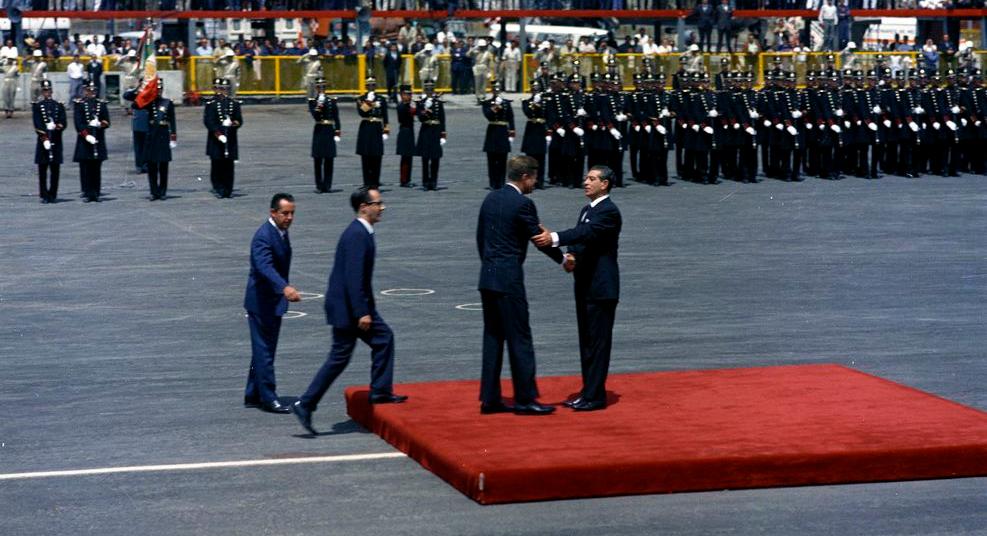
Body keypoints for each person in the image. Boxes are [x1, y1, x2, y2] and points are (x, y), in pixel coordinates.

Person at [292, 188, 408, 435]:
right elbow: (353, 277)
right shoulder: (357, 234)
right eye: (378, 203)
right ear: (364, 207)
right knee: (348, 353)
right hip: (349, 309)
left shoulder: (361, 232)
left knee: (378, 341)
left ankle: (379, 391)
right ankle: (307, 402)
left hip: (350, 306)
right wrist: (362, 312)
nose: (382, 207)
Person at [476, 155, 564, 416]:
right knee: (520, 338)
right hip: (509, 280)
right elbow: (538, 237)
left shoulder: (490, 198)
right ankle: (525, 399)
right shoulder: (523, 204)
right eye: (535, 177)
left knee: (493, 338)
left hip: (488, 276)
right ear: (525, 176)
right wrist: (563, 259)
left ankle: (490, 398)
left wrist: (490, 265)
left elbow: (481, 238)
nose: (535, 182)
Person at [532, 166, 621, 411]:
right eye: (586, 178)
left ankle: (595, 396)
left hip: (601, 288)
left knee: (598, 342)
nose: (586, 182)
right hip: (585, 284)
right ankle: (588, 391)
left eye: (592, 179)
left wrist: (556, 238)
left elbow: (588, 233)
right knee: (587, 341)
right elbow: (584, 242)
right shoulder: (587, 210)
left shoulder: (609, 211)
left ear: (605, 184)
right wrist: (571, 257)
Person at [244, 193, 302, 414]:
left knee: (262, 349)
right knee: (265, 350)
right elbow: (264, 267)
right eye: (285, 213)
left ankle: (253, 393)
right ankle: (269, 397)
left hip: (270, 302)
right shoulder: (264, 236)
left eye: (292, 213)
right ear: (273, 213)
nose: (289, 218)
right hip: (262, 303)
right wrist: (284, 287)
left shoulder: (280, 233)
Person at [203, 78, 242, 198]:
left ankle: (228, 189)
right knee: (217, 164)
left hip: (230, 139)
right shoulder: (211, 104)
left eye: (226, 89)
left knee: (229, 165)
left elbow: (239, 120)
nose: (223, 91)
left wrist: (232, 123)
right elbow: (208, 121)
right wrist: (218, 133)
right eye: (221, 88)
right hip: (217, 139)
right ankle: (219, 187)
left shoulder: (233, 104)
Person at [140, 79, 177, 200]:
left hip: (163, 135)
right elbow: (134, 103)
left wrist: (173, 137)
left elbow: (172, 120)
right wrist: (142, 90)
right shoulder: (148, 102)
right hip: (152, 135)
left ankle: (162, 191)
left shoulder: (167, 102)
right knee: (152, 166)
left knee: (163, 166)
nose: (158, 91)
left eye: (160, 89)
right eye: (156, 89)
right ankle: (154, 191)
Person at [73, 80, 110, 203]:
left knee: (97, 167)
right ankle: (88, 192)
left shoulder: (101, 104)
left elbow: (107, 121)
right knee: (87, 167)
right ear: (85, 91)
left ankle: (96, 192)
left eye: (94, 90)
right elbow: (78, 123)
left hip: (98, 138)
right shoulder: (80, 104)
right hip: (86, 140)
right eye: (89, 90)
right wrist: (86, 135)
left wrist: (99, 124)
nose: (92, 92)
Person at [33, 79, 66, 204]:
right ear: (42, 92)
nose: (47, 92)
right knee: (42, 170)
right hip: (43, 141)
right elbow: (37, 124)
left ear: (51, 91)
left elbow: (63, 122)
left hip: (56, 140)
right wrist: (45, 137)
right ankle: (44, 194)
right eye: (45, 90)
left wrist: (57, 126)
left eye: (48, 90)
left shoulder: (58, 105)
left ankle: (53, 193)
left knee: (55, 170)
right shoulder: (38, 106)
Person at [355, 76, 390, 188]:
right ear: (366, 86)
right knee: (365, 156)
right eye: (369, 85)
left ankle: (375, 182)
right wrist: (369, 102)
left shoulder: (381, 99)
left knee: (376, 156)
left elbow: (385, 116)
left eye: (373, 85)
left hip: (376, 128)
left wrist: (386, 130)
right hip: (366, 128)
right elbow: (362, 113)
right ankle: (367, 182)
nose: (371, 87)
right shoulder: (361, 99)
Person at [308, 77, 341, 193]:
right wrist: (319, 106)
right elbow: (315, 116)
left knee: (329, 158)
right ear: (317, 88)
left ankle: (327, 185)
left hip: (328, 130)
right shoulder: (313, 101)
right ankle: (319, 185)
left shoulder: (331, 101)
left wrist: (337, 131)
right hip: (319, 129)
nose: (321, 89)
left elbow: (336, 117)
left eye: (323, 87)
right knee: (318, 159)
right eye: (319, 87)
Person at [482, 80, 515, 190]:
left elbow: (511, 118)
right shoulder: (487, 103)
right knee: (491, 160)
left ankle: (501, 182)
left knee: (502, 159)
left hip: (502, 132)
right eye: (494, 88)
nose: (496, 90)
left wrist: (512, 132)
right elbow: (488, 115)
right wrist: (495, 106)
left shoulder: (506, 103)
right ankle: (493, 182)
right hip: (492, 131)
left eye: (498, 88)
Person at [415, 78, 446, 191]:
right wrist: (425, 110)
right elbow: (420, 118)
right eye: (427, 88)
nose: (429, 90)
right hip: (426, 131)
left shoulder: (438, 102)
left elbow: (442, 119)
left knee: (435, 158)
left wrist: (443, 134)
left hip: (436, 131)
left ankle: (433, 181)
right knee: (425, 159)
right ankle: (425, 181)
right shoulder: (421, 102)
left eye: (431, 88)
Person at [395, 84, 417, 188]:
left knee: (409, 156)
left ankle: (408, 179)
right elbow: (407, 113)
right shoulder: (401, 105)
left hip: (410, 131)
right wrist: (416, 108)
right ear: (401, 95)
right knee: (405, 156)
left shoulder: (408, 105)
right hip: (404, 132)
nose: (409, 96)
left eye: (410, 94)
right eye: (406, 94)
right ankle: (403, 180)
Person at [2, 54, 19, 118]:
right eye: (9, 59)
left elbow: (17, 77)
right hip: (6, 82)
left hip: (12, 81)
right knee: (5, 97)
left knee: (12, 97)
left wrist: (18, 86)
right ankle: (6, 111)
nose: (10, 60)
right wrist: (2, 60)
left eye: (11, 59)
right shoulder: (4, 66)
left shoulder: (15, 67)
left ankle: (11, 111)